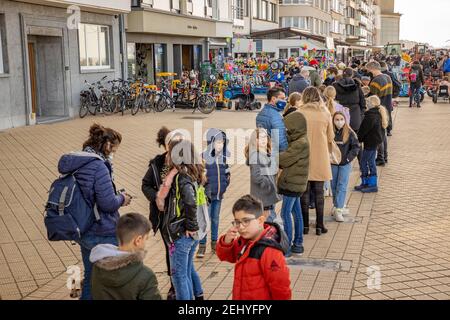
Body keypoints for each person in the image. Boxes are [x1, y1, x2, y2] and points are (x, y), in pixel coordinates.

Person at [58, 124, 131, 300]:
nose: (114, 152)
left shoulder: (79, 161)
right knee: (115, 278)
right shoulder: (99, 166)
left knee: (91, 276)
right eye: (114, 148)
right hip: (102, 231)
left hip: (83, 228)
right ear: (107, 145)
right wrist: (122, 198)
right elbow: (107, 203)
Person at [216, 195, 291, 300]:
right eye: (237, 222)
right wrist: (227, 241)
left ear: (260, 220)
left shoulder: (270, 250)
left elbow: (280, 288)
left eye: (246, 221)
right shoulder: (245, 240)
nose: (241, 227)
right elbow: (227, 256)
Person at [157, 139, 205, 300]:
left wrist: (192, 226)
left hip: (181, 234)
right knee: (187, 270)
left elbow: (190, 201)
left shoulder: (181, 177)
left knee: (179, 276)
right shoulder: (192, 172)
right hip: (188, 234)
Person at [141, 127, 184, 300]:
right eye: (173, 144)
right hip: (164, 217)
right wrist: (157, 198)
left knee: (181, 252)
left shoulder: (188, 161)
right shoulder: (156, 164)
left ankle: (183, 284)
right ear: (167, 146)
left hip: (182, 216)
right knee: (170, 251)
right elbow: (145, 185)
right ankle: (174, 285)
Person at [90, 213, 162, 300]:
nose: (145, 243)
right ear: (138, 240)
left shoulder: (97, 265)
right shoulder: (146, 275)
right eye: (146, 238)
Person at [298, 87, 334, 236]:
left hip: (303, 155)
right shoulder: (325, 113)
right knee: (319, 193)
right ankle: (320, 225)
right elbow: (330, 136)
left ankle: (305, 225)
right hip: (320, 156)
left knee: (304, 193)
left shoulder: (299, 113)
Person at [278, 111, 309, 256]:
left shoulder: (299, 144)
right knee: (296, 212)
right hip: (297, 182)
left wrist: (272, 155)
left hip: (292, 183)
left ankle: (288, 245)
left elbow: (284, 159)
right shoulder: (300, 140)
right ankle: (298, 243)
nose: (286, 131)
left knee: (285, 213)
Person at [197, 129, 231, 258]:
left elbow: (227, 174)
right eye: (217, 142)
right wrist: (204, 186)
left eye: (222, 142)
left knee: (215, 219)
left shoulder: (223, 158)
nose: (220, 145)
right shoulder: (203, 157)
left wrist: (224, 186)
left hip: (218, 195)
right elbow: (198, 176)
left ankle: (214, 243)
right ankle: (202, 245)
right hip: (207, 196)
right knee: (205, 220)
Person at [245, 128, 281, 224]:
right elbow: (256, 176)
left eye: (265, 137)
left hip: (269, 196)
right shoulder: (255, 156)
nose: (264, 139)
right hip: (263, 198)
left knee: (270, 221)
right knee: (266, 224)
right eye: (260, 137)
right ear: (255, 140)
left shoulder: (266, 153)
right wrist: (269, 184)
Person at [355, 96, 388, 193]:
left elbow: (363, 130)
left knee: (366, 162)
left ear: (371, 104)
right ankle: (366, 182)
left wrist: (358, 139)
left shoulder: (370, 116)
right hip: (374, 142)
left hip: (370, 142)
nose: (366, 104)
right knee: (368, 161)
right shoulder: (378, 113)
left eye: (367, 102)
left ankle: (371, 184)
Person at [330, 112, 360, 222]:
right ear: (333, 121)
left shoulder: (350, 133)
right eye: (337, 119)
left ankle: (339, 209)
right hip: (333, 163)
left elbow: (356, 147)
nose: (339, 121)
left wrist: (348, 159)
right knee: (333, 186)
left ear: (345, 120)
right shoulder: (330, 133)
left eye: (341, 119)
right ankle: (336, 204)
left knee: (342, 186)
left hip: (345, 164)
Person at [256, 87, 289, 153]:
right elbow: (280, 141)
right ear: (273, 99)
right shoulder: (275, 116)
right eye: (282, 98)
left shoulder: (261, 113)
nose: (285, 101)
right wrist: (285, 152)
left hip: (265, 150)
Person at [333, 68, 366, 132]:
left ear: (343, 74)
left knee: (341, 134)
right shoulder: (357, 85)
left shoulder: (336, 86)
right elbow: (362, 100)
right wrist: (362, 113)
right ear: (352, 75)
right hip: (355, 113)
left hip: (340, 112)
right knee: (354, 135)